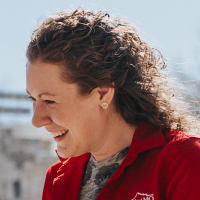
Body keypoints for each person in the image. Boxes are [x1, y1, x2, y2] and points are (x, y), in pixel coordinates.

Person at [26, 8, 200, 200]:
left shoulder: (184, 159)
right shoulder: (57, 179)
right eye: (33, 99)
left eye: (50, 101)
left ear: (103, 94)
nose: (36, 121)